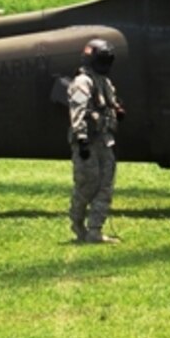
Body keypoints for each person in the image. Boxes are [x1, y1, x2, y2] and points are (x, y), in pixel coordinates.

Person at [67, 37, 124, 243]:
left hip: (105, 140)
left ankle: (95, 231)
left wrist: (116, 111)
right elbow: (78, 112)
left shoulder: (104, 82)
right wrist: (81, 139)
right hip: (89, 142)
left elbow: (110, 104)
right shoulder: (83, 82)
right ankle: (77, 223)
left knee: (105, 186)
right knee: (87, 185)